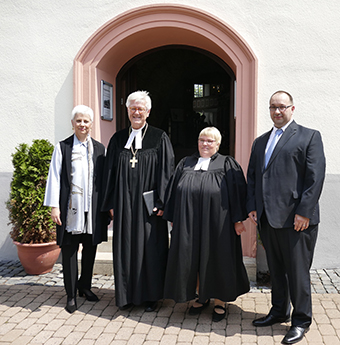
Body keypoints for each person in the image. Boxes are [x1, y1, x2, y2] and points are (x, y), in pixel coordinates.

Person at [247, 91, 326, 344]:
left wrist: (304, 211)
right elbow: (253, 177)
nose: (277, 112)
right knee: (276, 270)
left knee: (297, 272)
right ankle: (279, 311)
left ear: (293, 108)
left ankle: (301, 321)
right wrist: (253, 207)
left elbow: (315, 178)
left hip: (296, 219)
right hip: (268, 219)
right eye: (272, 107)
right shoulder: (261, 141)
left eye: (282, 107)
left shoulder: (309, 136)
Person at [163, 127, 250, 322]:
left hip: (219, 223)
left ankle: (219, 300)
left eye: (210, 141)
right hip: (189, 222)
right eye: (202, 140)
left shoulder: (227, 163)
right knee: (192, 258)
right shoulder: (185, 163)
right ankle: (201, 296)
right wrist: (173, 218)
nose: (205, 144)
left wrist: (237, 220)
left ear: (218, 144)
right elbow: (173, 191)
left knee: (217, 258)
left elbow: (238, 193)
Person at [101, 90, 175, 312]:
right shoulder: (117, 139)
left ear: (148, 112)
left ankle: (152, 297)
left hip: (148, 206)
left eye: (140, 108)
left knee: (150, 248)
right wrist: (111, 202)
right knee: (126, 248)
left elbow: (167, 172)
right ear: (127, 110)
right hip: (124, 205)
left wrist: (162, 202)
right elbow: (110, 173)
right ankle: (126, 296)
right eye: (132, 107)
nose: (136, 111)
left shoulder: (159, 137)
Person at [44, 105, 107, 313]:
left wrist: (107, 206)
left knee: (90, 249)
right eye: (78, 121)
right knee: (70, 251)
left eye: (86, 121)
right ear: (72, 124)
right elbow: (54, 176)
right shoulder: (62, 147)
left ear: (91, 124)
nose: (82, 124)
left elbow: (103, 180)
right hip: (70, 209)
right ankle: (71, 294)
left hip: (92, 208)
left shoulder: (99, 149)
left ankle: (85, 286)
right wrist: (54, 206)